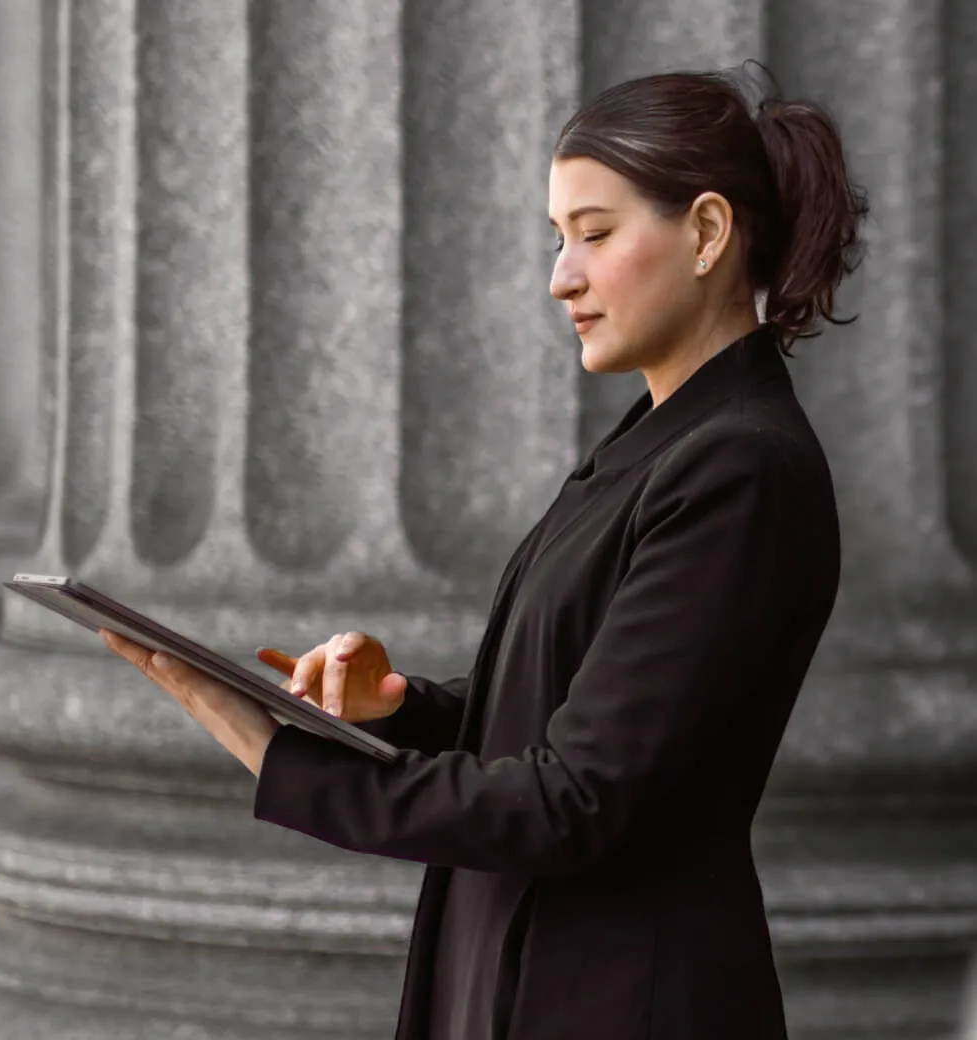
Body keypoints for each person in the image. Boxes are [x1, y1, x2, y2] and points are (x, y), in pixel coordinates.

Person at [103, 64, 868, 1040]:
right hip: (531, 974)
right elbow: (573, 712)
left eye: (594, 233)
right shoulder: (662, 444)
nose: (561, 277)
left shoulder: (739, 467)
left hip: (619, 1000)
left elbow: (579, 796)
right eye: (558, 238)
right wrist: (398, 709)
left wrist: (279, 758)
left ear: (707, 232)